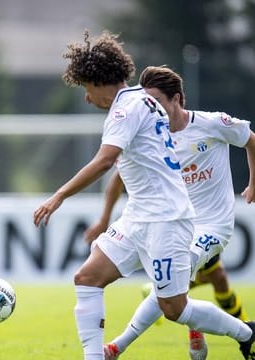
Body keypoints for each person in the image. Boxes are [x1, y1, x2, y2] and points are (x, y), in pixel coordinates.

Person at [32, 31, 255, 360]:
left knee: (174, 308)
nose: (86, 98)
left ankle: (247, 334)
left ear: (97, 81)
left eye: (85, 88)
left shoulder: (126, 109)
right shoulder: (145, 99)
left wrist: (59, 195)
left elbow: (106, 160)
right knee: (87, 277)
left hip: (166, 220)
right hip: (139, 216)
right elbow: (125, 168)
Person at [84, 65, 255, 359]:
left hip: (211, 226)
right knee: (172, 293)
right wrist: (104, 218)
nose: (152, 108)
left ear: (177, 99)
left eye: (157, 102)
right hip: (172, 222)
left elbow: (251, 139)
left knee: (174, 288)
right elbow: (118, 179)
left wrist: (253, 183)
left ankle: (116, 347)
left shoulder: (212, 124)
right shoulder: (151, 134)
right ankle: (219, 330)